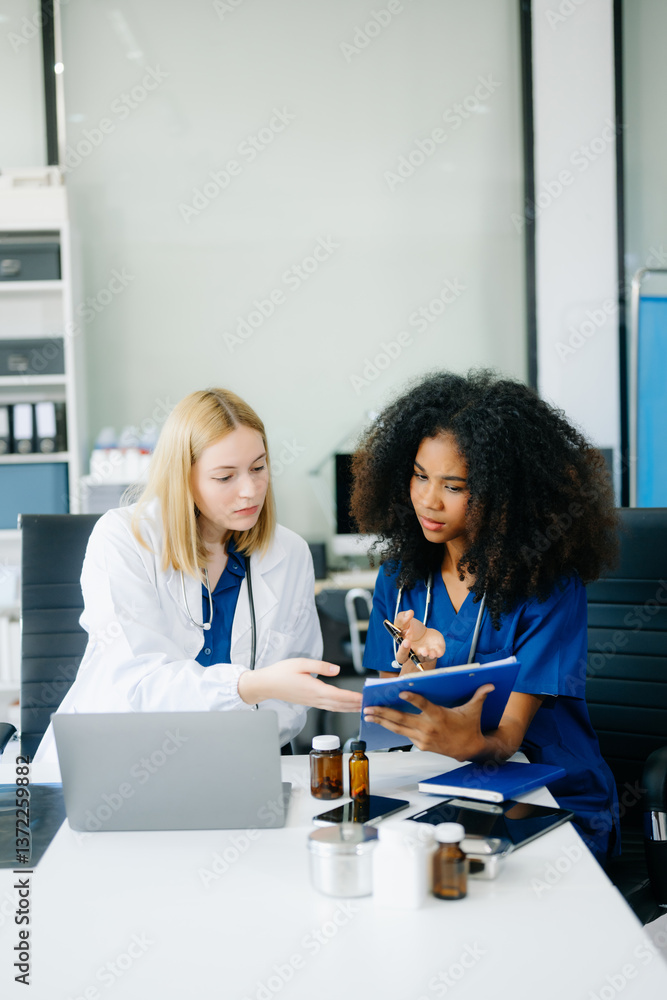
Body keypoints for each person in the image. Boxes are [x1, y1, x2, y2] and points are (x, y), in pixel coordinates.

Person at [351, 370, 620, 863]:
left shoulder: (548, 586)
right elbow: (396, 717)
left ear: (504, 494)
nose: (428, 500)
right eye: (419, 475)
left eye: (453, 486)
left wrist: (463, 739)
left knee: (479, 882)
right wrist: (420, 669)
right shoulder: (400, 577)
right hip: (439, 785)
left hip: (546, 793)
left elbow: (506, 740)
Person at [36, 388, 361, 762]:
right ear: (182, 478)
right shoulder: (123, 538)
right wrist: (248, 686)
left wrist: (238, 740)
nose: (250, 490)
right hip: (123, 757)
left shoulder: (290, 553)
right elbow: (139, 685)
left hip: (241, 757)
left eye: (258, 468)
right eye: (225, 477)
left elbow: (289, 698)